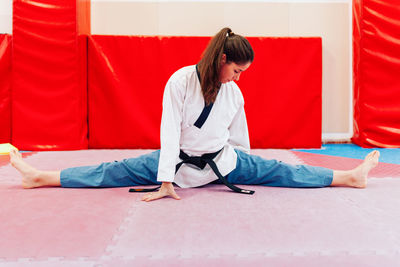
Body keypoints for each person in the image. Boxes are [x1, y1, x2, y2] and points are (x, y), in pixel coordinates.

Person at [9, 27, 380, 202]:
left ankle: (350, 178)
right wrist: (166, 178)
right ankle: (41, 176)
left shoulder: (233, 93)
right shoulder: (180, 81)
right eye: (236, 70)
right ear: (221, 60)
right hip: (178, 162)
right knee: (112, 170)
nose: (238, 78)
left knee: (285, 171)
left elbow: (240, 137)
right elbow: (169, 132)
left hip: (223, 161)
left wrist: (245, 161)